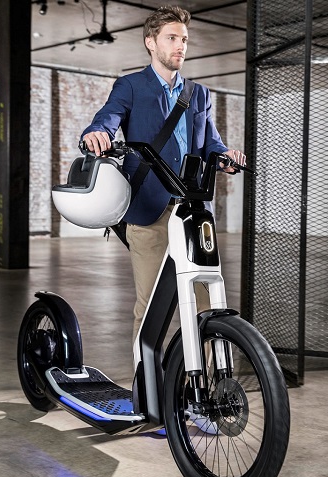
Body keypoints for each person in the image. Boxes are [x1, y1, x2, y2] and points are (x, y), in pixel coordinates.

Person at [80, 5, 246, 341]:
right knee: (151, 303)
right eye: (172, 38)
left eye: (184, 39)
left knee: (207, 302)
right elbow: (107, 119)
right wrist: (95, 133)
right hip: (148, 208)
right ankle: (147, 385)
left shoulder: (199, 94)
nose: (180, 45)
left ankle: (208, 388)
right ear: (151, 43)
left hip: (194, 209)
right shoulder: (130, 86)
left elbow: (210, 142)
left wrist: (225, 155)